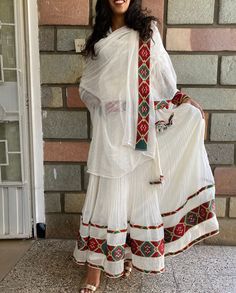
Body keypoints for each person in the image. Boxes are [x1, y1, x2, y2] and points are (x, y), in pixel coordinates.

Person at [72, 0, 220, 292]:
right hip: (111, 130)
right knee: (108, 192)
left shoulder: (146, 31)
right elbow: (86, 87)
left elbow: (163, 78)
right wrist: (106, 103)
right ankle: (94, 269)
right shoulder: (100, 41)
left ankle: (126, 255)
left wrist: (183, 101)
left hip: (141, 129)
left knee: (137, 192)